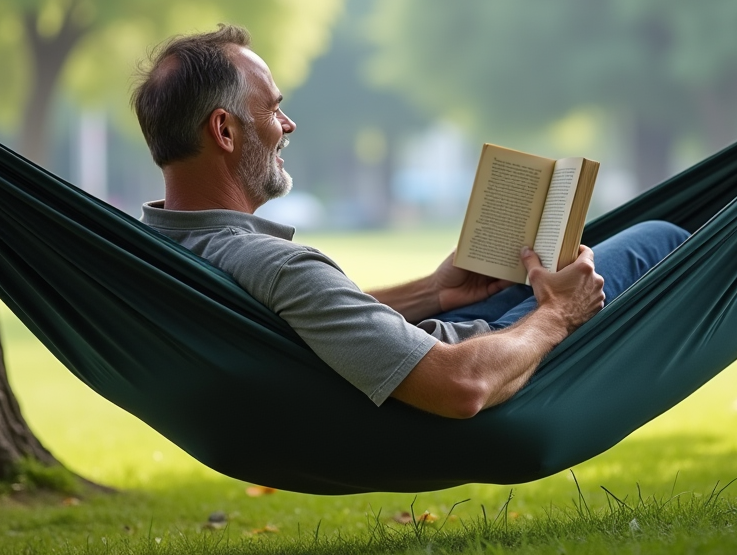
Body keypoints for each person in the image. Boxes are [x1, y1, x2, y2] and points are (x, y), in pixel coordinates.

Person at [133, 26, 689, 418]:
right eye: (274, 109)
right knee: (660, 240)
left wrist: (433, 291)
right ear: (225, 132)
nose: (289, 123)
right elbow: (461, 387)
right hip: (479, 363)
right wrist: (558, 314)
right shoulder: (274, 264)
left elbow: (303, 332)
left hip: (433, 340)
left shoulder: (161, 252)